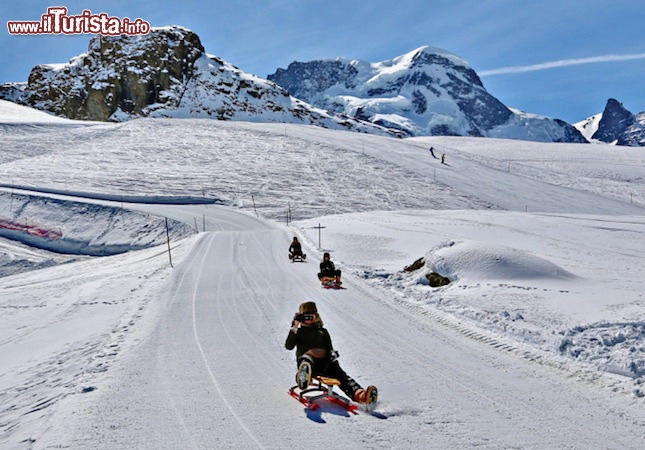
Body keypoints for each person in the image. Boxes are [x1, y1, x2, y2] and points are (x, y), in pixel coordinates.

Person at [285, 301, 377, 404]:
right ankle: (304, 375)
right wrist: (295, 326)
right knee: (307, 358)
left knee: (342, 376)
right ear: (301, 317)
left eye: (311, 316)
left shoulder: (322, 331)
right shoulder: (298, 331)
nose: (309, 319)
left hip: (325, 364)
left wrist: (332, 353)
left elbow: (329, 347)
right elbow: (289, 346)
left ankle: (361, 395)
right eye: (306, 317)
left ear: (316, 316)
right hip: (309, 364)